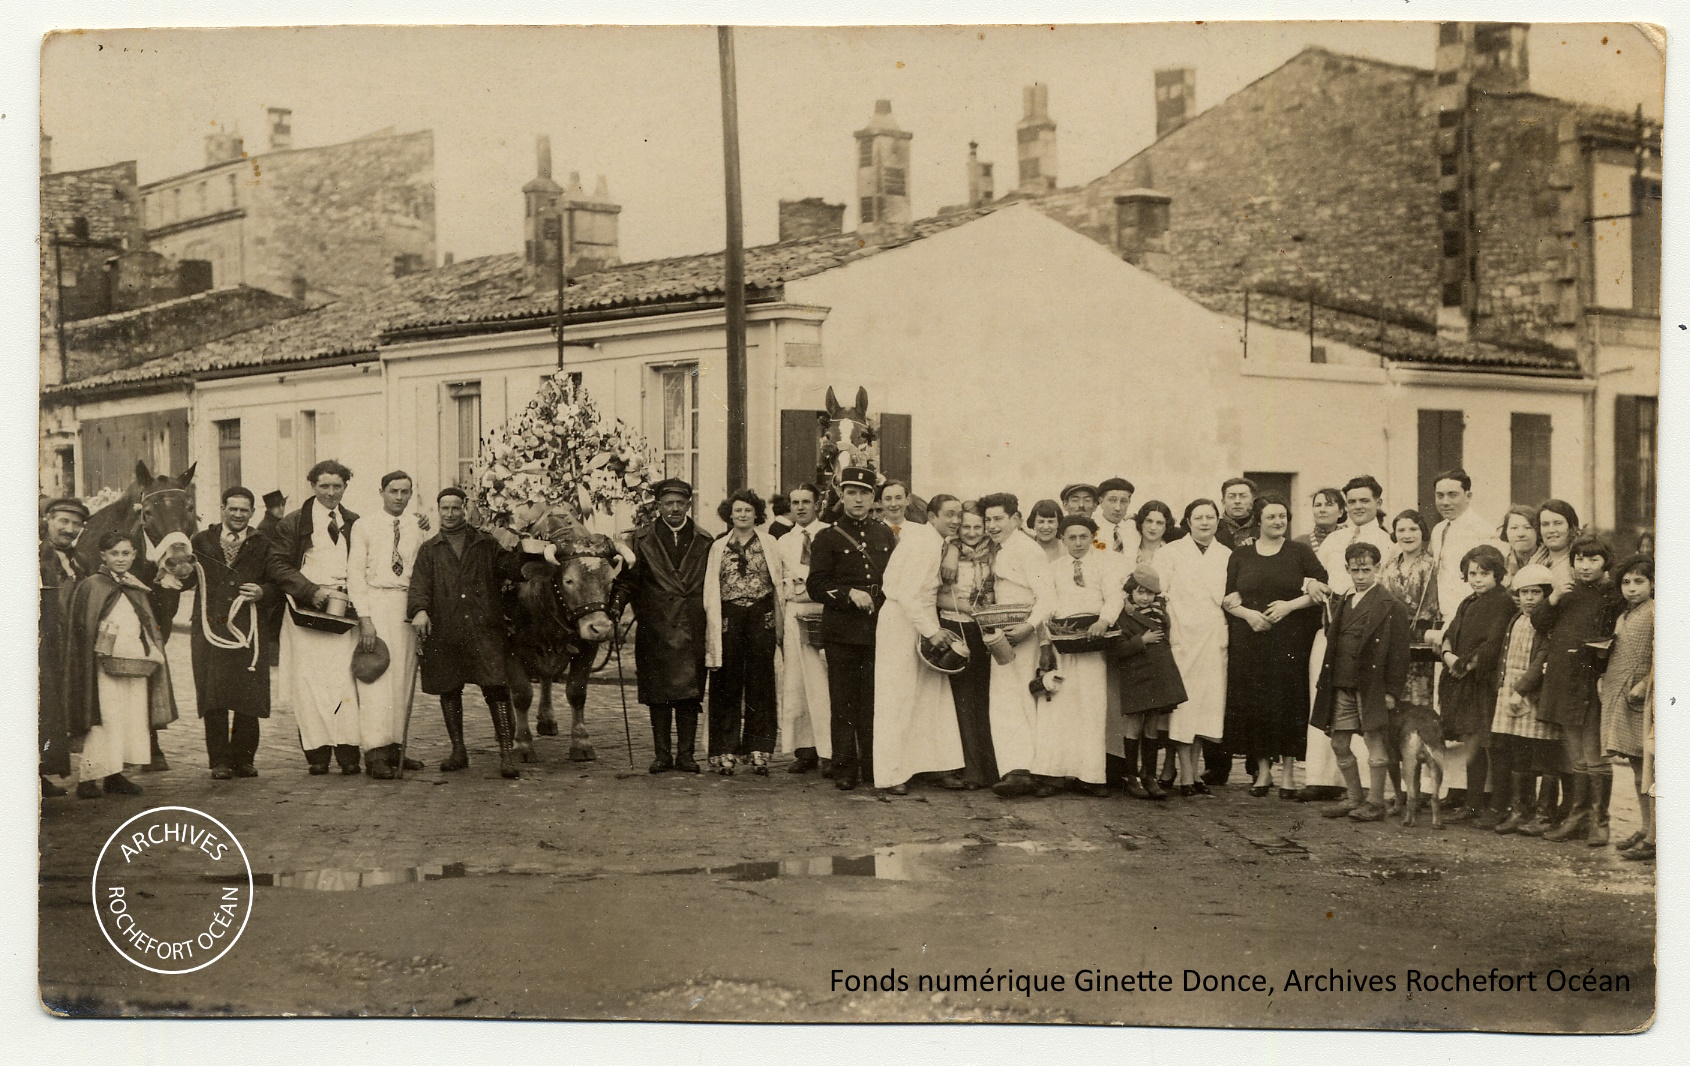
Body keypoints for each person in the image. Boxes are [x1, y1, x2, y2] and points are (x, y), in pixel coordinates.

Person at [408, 487, 529, 779]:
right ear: (439, 511)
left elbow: (511, 568)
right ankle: (458, 750)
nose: (450, 514)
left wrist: (525, 547)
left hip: (483, 627)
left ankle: (506, 753)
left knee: (496, 687)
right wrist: (420, 610)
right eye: (444, 509)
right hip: (446, 629)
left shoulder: (485, 544)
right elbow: (419, 586)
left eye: (455, 508)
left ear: (465, 509)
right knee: (449, 688)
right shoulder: (430, 549)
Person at [1302, 476, 1400, 800]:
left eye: (1365, 501)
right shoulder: (1334, 541)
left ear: (1378, 503)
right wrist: (1310, 584)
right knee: (1332, 709)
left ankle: (1372, 792)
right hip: (1335, 632)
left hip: (1369, 638)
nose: (1358, 507)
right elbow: (1320, 578)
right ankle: (1325, 779)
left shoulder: (1389, 543)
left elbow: (1388, 595)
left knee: (1367, 719)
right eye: (1353, 501)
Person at [1222, 496, 1326, 797]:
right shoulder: (1241, 555)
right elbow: (1230, 597)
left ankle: (1289, 774)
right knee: (1257, 702)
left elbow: (1322, 586)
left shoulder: (1299, 552)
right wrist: (1249, 616)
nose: (1278, 522)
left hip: (1290, 639)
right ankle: (1264, 772)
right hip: (1252, 638)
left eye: (1282, 516)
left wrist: (1289, 606)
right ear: (1259, 521)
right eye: (1271, 517)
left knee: (1290, 702)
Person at [62, 531, 179, 799]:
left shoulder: (135, 586)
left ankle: (115, 774)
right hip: (103, 666)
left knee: (130, 717)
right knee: (105, 718)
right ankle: (89, 777)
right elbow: (82, 628)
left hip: (134, 662)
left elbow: (146, 623)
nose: (120, 559)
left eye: (126, 553)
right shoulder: (93, 585)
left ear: (134, 556)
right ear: (103, 555)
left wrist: (152, 651)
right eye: (114, 553)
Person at [267, 460, 365, 775]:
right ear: (313, 486)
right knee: (309, 683)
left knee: (344, 682)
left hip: (343, 612)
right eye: (324, 486)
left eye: (337, 486)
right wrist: (310, 590)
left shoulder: (354, 522)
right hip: (305, 613)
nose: (331, 492)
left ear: (345, 487)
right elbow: (278, 565)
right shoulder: (293, 523)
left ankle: (348, 751)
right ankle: (317, 753)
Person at [805, 467, 898, 790]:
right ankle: (845, 768)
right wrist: (848, 595)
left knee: (874, 700)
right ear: (841, 496)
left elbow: (895, 579)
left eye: (864, 493)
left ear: (873, 498)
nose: (858, 500)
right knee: (843, 701)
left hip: (878, 628)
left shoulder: (884, 534)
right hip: (842, 630)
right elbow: (816, 585)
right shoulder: (827, 537)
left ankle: (875, 766)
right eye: (852, 493)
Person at [872, 486, 966, 795]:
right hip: (902, 621)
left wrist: (930, 627)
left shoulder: (934, 540)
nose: (956, 521)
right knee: (897, 697)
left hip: (922, 618)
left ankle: (935, 766)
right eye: (949, 515)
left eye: (959, 515)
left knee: (932, 696)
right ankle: (890, 773)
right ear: (931, 516)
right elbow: (908, 594)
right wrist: (932, 631)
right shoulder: (923, 544)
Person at [1310, 541, 1411, 821]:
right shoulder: (1343, 600)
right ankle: (1354, 798)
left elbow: (1400, 655)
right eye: (1355, 570)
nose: (1361, 576)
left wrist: (1391, 691)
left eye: (1366, 569)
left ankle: (1375, 802)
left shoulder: (1392, 606)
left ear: (1377, 568)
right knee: (1339, 743)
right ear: (1347, 569)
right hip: (1340, 682)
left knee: (1374, 740)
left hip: (1372, 686)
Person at [1024, 515, 1123, 797]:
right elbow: (1046, 606)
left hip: (1093, 641)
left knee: (1091, 707)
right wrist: (1046, 644)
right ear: (1063, 539)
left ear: (1092, 537)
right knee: (1059, 708)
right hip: (1061, 642)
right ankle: (1055, 775)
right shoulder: (1053, 568)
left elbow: (1114, 597)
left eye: (1083, 537)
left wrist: (1103, 622)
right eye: (1071, 538)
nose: (1078, 543)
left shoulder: (1104, 564)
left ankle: (1091, 776)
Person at [621, 478, 715, 774]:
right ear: (658, 507)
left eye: (680, 503)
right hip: (655, 626)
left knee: (690, 693)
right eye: (668, 504)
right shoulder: (639, 540)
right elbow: (627, 581)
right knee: (658, 694)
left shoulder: (705, 540)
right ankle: (662, 755)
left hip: (692, 626)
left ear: (689, 505)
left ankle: (686, 755)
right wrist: (614, 607)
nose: (674, 509)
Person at [1537, 536, 1624, 844]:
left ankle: (1600, 820)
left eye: (1593, 560)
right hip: (1564, 681)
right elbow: (1538, 622)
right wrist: (1554, 597)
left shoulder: (1614, 597)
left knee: (1594, 755)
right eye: (1580, 560)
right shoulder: (1568, 594)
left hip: (1591, 683)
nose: (1585, 566)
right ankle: (1578, 816)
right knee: (1576, 756)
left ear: (1606, 564)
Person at [188, 487, 278, 780]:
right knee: (214, 695)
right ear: (222, 509)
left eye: (244, 510)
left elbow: (278, 581)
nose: (238, 515)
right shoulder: (201, 540)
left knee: (247, 695)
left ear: (252, 513)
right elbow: (187, 576)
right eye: (233, 509)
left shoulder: (263, 543)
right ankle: (220, 761)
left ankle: (244, 759)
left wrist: (263, 591)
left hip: (247, 628)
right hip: (210, 626)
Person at [347, 471, 430, 779]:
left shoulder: (417, 527)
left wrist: (421, 610)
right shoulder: (364, 525)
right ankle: (374, 752)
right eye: (393, 491)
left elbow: (422, 572)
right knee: (376, 677)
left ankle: (396, 748)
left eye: (405, 492)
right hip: (377, 602)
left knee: (403, 678)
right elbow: (355, 573)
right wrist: (365, 619)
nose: (399, 497)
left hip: (406, 605)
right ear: (381, 491)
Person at [980, 493, 1058, 798]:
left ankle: (1024, 769)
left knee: (1020, 700)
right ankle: (1016, 768)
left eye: (998, 519)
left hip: (1024, 634)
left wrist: (1028, 627)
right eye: (988, 519)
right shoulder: (1000, 549)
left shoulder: (1027, 549)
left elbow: (1047, 596)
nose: (992, 525)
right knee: (1006, 700)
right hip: (1003, 631)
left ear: (1016, 518)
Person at [704, 488, 785, 775]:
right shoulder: (718, 546)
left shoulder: (769, 543)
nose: (742, 515)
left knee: (760, 680)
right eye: (737, 510)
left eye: (748, 510)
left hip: (760, 616)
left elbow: (779, 582)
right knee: (726, 681)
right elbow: (711, 588)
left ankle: (758, 750)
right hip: (730, 617)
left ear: (756, 515)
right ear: (730, 514)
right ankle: (724, 750)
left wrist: (778, 622)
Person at [1436, 545, 1515, 826]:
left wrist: (1465, 665)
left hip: (1485, 683)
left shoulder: (1502, 602)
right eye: (1472, 573)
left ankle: (1498, 807)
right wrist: (1448, 657)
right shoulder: (1467, 601)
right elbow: (1449, 634)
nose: (1477, 578)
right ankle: (1472, 804)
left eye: (1484, 573)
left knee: (1493, 745)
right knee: (1472, 743)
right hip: (1463, 683)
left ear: (1497, 574)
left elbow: (1493, 645)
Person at [1159, 499, 1231, 796]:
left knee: (1207, 704)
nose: (1205, 523)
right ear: (1187, 521)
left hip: (1214, 638)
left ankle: (1192, 770)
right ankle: (1186, 774)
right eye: (1198, 517)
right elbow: (1159, 596)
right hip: (1182, 638)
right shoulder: (1170, 553)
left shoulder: (1227, 554)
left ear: (1217, 521)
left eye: (1210, 517)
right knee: (1183, 706)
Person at [1373, 509, 1441, 804]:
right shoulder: (1389, 564)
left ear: (1422, 532)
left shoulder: (1430, 566)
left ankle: (1421, 792)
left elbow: (1430, 609)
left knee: (1416, 721)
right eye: (1401, 530)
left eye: (1413, 529)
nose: (1407, 535)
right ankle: (1398, 793)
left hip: (1417, 648)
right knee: (1391, 722)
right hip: (1391, 645)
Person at [1490, 564, 1559, 835]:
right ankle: (1521, 809)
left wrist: (1522, 689)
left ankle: (1544, 814)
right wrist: (1503, 686)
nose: (1529, 598)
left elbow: (1542, 658)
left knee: (1543, 752)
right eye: (1524, 592)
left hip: (1534, 692)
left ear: (1546, 595)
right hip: (1511, 691)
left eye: (1536, 592)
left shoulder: (1548, 623)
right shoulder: (1516, 619)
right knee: (1519, 750)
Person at [937, 499, 1000, 788]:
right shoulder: (946, 552)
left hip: (982, 630)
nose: (972, 533)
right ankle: (970, 770)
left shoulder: (993, 552)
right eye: (966, 526)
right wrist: (965, 607)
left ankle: (990, 769)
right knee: (961, 700)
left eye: (978, 526)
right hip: (955, 626)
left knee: (982, 698)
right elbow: (935, 595)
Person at [1112, 562, 1185, 800]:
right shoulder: (1121, 615)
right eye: (1140, 592)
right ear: (1131, 591)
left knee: (1153, 726)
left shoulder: (1162, 613)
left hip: (1159, 675)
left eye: (1150, 593)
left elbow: (1167, 640)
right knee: (1134, 726)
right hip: (1136, 675)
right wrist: (1141, 640)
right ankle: (1131, 777)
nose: (1145, 598)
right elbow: (1117, 649)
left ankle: (1150, 777)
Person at [774, 483, 830, 774]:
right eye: (795, 503)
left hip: (826, 613)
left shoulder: (829, 534)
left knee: (825, 683)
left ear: (817, 504)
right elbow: (778, 583)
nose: (800, 508)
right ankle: (805, 749)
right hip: (795, 615)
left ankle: (831, 750)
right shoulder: (782, 542)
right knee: (797, 683)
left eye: (806, 502)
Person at [1602, 554, 1654, 855]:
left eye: (1639, 581)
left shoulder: (1655, 612)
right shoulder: (1625, 615)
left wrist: (1646, 683)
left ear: (1652, 584)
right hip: (1624, 696)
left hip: (1645, 698)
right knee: (1637, 768)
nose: (1631, 588)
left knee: (1651, 769)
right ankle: (1646, 827)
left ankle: (1655, 837)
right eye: (1626, 582)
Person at [39, 497, 91, 796]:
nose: (69, 529)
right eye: (64, 521)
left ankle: (44, 773)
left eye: (76, 524)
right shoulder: (34, 555)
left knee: (56, 711)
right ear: (49, 520)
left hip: (70, 644)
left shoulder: (79, 561)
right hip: (43, 643)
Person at [1426, 469, 1495, 629]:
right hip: (1444, 616)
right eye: (1440, 495)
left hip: (1471, 616)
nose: (1445, 502)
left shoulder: (1483, 530)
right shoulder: (1439, 529)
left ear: (1468, 496)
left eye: (1452, 495)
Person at [255, 490, 289, 666]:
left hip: (273, 579)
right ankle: (271, 657)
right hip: (271, 580)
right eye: (281, 506)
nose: (283, 509)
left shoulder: (271, 523)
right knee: (273, 620)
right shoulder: (269, 527)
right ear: (275, 507)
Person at [1536, 499, 1580, 593]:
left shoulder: (1580, 560)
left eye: (1558, 523)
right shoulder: (1535, 559)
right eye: (1545, 524)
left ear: (1571, 527)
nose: (1551, 530)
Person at [1093, 477, 1139, 560]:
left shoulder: (1135, 527)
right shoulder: (1091, 528)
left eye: (1124, 501)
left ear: (1129, 502)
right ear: (1100, 501)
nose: (1118, 508)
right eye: (1112, 500)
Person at [1499, 506, 1545, 580]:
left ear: (1537, 531)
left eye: (1527, 527)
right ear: (1506, 531)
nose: (1520, 534)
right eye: (1514, 528)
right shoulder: (1502, 564)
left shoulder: (1550, 561)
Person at [1215, 477, 1260, 551]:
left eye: (1243, 496)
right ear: (1223, 502)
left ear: (1253, 501)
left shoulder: (1263, 529)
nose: (1237, 501)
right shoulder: (1213, 529)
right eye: (1232, 497)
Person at [1133, 500, 1178, 572]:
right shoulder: (1129, 547)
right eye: (1149, 521)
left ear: (1166, 526)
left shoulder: (1171, 554)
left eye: (1159, 523)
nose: (1153, 527)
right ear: (1141, 522)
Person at [1297, 488, 1344, 554]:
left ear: (1340, 512)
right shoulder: (1299, 543)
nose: (1322, 510)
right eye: (1318, 505)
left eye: (1329, 505)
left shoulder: (1349, 539)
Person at [1026, 499, 1064, 565]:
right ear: (1033, 524)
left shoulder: (1067, 549)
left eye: (1051, 521)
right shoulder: (1025, 549)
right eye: (1041, 522)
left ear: (1059, 524)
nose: (1046, 527)